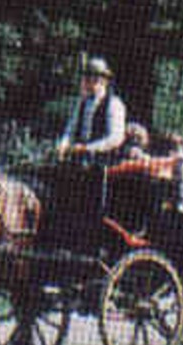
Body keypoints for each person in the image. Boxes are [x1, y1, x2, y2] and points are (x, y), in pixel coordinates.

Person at [52, 55, 128, 228]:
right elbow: (70, 129)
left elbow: (115, 137)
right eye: (87, 78)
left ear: (103, 82)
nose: (88, 82)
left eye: (93, 78)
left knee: (91, 188)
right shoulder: (82, 104)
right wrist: (63, 145)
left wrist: (88, 148)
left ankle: (91, 225)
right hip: (79, 160)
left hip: (103, 163)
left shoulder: (114, 104)